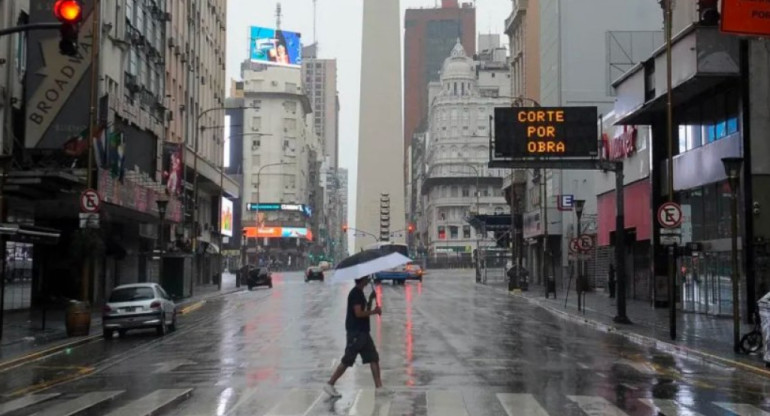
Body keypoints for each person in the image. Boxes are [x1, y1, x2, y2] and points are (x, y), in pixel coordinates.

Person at [324, 276, 382, 397]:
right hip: (356, 333)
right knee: (347, 360)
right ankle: (330, 384)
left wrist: (371, 300)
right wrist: (374, 312)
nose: (369, 280)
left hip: (363, 332)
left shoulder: (360, 292)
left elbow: (363, 310)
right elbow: (359, 313)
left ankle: (379, 388)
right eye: (367, 278)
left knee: (373, 358)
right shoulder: (355, 293)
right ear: (363, 280)